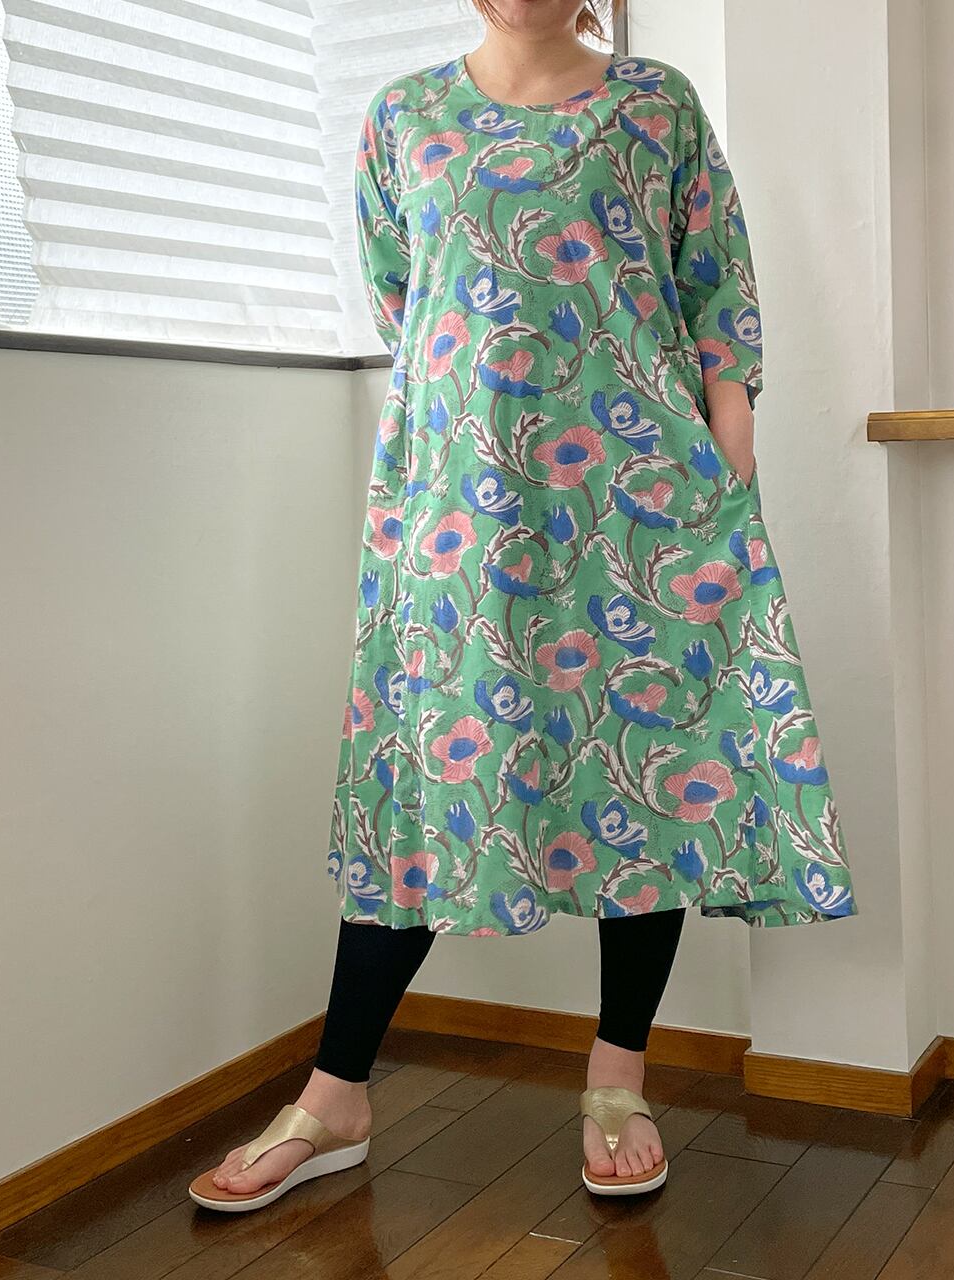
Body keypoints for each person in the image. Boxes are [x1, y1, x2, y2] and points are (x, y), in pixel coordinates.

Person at [190, 0, 857, 1211]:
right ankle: (335, 1094)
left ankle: (617, 1075)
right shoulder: (401, 116)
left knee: (652, 763)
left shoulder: (652, 105)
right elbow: (405, 300)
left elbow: (714, 287)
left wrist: (726, 453)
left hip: (639, 487)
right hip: (463, 496)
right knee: (426, 768)